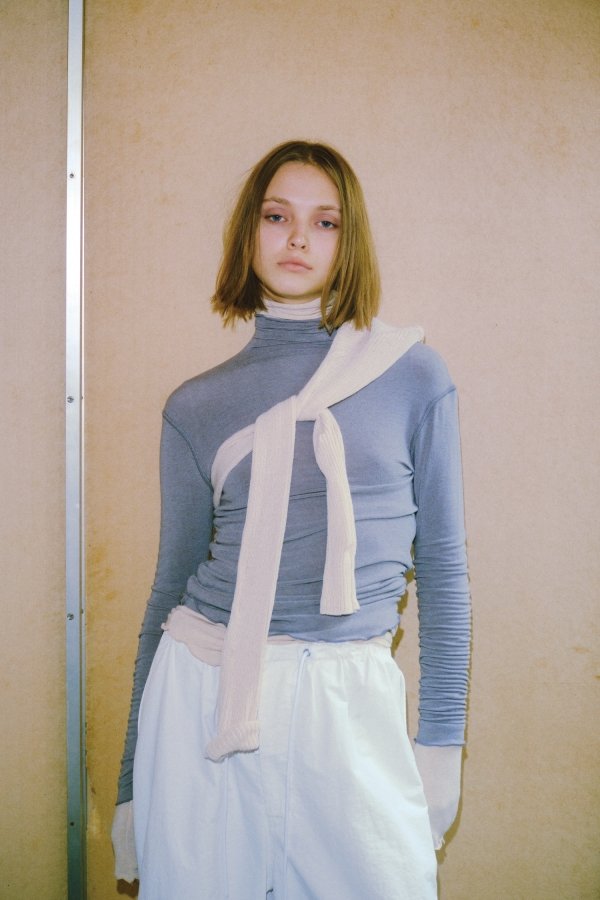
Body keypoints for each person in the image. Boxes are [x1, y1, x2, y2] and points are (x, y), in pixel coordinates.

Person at [111, 140, 471, 899]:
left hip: (349, 696)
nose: (299, 238)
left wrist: (442, 742)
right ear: (249, 231)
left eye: (325, 222)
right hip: (207, 695)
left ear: (349, 240)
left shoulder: (413, 375)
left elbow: (443, 572)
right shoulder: (196, 405)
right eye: (277, 216)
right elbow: (169, 587)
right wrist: (130, 784)